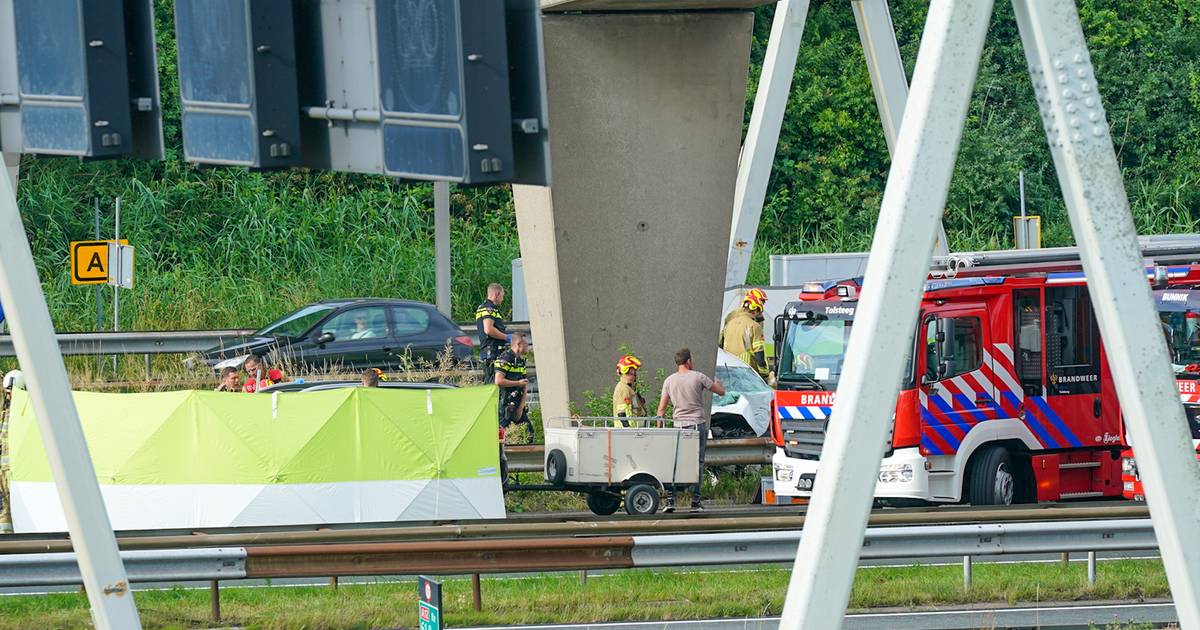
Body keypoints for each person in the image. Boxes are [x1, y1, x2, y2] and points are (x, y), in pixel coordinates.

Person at [657, 347, 725, 512]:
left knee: (675, 463)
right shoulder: (698, 377)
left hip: (678, 427)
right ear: (688, 361)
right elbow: (721, 392)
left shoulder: (669, 381)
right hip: (696, 425)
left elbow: (661, 410)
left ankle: (671, 501)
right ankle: (695, 501)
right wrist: (719, 383)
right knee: (698, 463)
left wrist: (659, 430)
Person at [494, 332, 532, 440]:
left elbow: (524, 385)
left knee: (529, 433)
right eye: (526, 343)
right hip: (504, 404)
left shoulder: (521, 361)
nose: (527, 346)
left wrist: (521, 408)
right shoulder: (505, 359)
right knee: (500, 435)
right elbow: (498, 381)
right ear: (519, 344)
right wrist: (517, 383)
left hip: (517, 404)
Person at [721, 293, 768, 378]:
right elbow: (759, 353)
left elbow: (720, 342)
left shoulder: (730, 322)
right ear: (756, 309)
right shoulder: (754, 326)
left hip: (727, 369)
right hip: (746, 371)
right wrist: (764, 374)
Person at [476, 283, 510, 383]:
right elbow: (488, 329)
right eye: (502, 296)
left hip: (492, 352)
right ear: (497, 294)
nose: (502, 299)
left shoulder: (486, 307)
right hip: (491, 353)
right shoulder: (488, 308)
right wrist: (506, 337)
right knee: (492, 385)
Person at [612, 354, 647, 427]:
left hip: (635, 431)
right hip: (628, 432)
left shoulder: (630, 388)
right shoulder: (623, 388)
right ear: (622, 372)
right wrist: (627, 428)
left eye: (634, 373)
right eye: (630, 373)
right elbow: (621, 412)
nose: (633, 376)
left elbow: (635, 409)